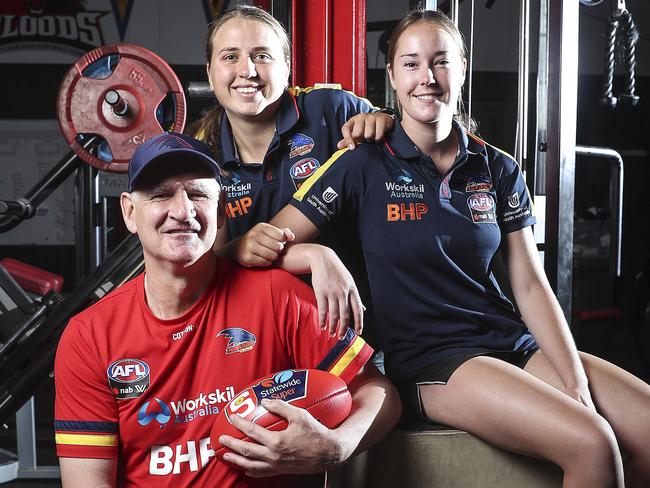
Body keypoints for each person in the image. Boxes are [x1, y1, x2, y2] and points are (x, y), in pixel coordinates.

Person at [234, 10, 650, 487]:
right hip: (431, 358)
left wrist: (574, 381)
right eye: (410, 64)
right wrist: (317, 255)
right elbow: (259, 246)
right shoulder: (362, 162)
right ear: (391, 76)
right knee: (592, 443)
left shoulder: (497, 166)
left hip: (509, 341)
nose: (426, 78)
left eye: (440, 62)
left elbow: (531, 285)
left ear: (463, 69)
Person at [53, 132, 401, 488]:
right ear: (129, 211)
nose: (182, 211)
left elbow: (377, 392)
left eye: (199, 195)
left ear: (220, 212)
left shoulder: (278, 296)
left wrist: (336, 447)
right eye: (161, 195)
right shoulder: (89, 336)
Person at [188, 5, 395, 339]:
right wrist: (239, 250)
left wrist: (385, 120)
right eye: (230, 57)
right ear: (210, 72)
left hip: (361, 329)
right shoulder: (199, 153)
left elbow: (410, 145)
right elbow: (200, 268)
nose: (247, 70)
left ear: (286, 67)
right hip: (259, 335)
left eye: (262, 56)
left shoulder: (331, 109)